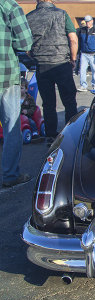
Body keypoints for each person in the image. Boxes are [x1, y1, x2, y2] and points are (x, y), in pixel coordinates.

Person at [26, 0, 78, 144]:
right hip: (61, 62)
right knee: (69, 101)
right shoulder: (61, 14)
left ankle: (50, 135)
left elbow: (25, 44)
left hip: (42, 65)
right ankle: (71, 133)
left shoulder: (29, 17)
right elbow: (73, 39)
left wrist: (35, 56)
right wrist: (73, 58)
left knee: (48, 103)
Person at [0, 0, 33, 188]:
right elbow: (24, 42)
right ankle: (10, 175)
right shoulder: (9, 6)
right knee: (11, 127)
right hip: (4, 75)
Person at [77, 15, 95, 91]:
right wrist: (77, 53)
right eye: (86, 22)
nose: (87, 23)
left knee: (94, 71)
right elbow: (78, 42)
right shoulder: (81, 30)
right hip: (84, 54)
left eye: (88, 21)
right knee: (82, 70)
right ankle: (83, 85)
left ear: (92, 21)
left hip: (93, 54)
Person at [20, 78, 44, 143]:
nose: (19, 90)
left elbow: (33, 108)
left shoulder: (29, 98)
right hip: (17, 116)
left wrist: (27, 111)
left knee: (31, 122)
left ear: (26, 89)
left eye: (21, 88)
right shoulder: (15, 98)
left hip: (27, 116)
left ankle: (35, 133)